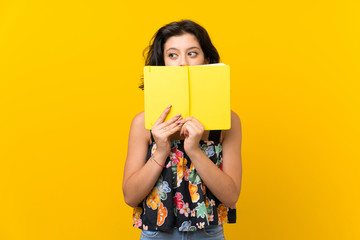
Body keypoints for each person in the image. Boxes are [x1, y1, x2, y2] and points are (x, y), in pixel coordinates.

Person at [122, 20, 242, 239]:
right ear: (162, 63)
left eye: (193, 53)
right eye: (173, 55)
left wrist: (195, 150)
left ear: (207, 60)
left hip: (208, 233)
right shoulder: (143, 123)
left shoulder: (228, 121)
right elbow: (130, 196)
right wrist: (160, 150)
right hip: (157, 234)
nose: (182, 63)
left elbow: (231, 196)